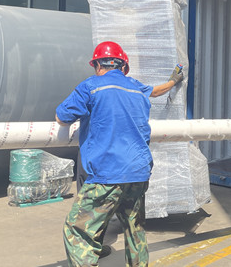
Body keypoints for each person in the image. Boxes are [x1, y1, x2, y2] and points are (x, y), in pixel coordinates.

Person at [55, 41, 183, 267]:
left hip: (107, 173)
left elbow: (62, 117)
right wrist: (174, 81)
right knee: (135, 229)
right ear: (124, 67)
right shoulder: (135, 87)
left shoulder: (90, 86)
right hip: (138, 172)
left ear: (97, 65)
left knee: (76, 229)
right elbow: (155, 91)